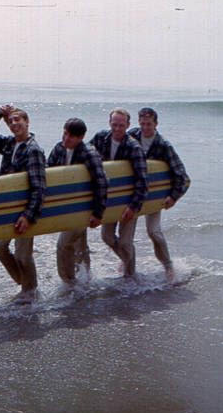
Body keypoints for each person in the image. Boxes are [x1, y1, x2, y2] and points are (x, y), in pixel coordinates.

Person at [0, 105, 46, 303]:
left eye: (18, 120)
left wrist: (28, 215)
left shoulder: (34, 150)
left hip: (26, 210)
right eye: (11, 121)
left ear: (27, 122)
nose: (14, 124)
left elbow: (39, 187)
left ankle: (31, 293)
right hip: (8, 208)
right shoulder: (10, 144)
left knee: (24, 255)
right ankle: (26, 285)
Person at [128, 107, 189, 281]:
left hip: (154, 196)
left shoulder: (163, 145)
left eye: (149, 124)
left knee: (153, 232)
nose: (145, 128)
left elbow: (182, 176)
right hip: (133, 195)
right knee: (127, 237)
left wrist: (173, 197)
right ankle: (129, 269)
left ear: (156, 124)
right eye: (142, 124)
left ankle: (168, 265)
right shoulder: (132, 136)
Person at [47, 118, 108, 284]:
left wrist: (97, 213)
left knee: (63, 245)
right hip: (67, 208)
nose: (66, 139)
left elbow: (101, 183)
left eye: (71, 137)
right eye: (65, 133)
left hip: (84, 209)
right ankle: (86, 281)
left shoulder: (89, 153)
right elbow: (48, 173)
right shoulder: (59, 148)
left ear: (81, 138)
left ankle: (68, 283)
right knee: (79, 245)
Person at [90, 108, 148, 278]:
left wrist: (133, 207)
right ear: (109, 123)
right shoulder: (101, 138)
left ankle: (130, 276)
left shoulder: (134, 147)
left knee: (125, 241)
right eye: (114, 124)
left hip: (130, 200)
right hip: (110, 199)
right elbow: (85, 153)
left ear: (128, 125)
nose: (117, 128)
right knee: (107, 236)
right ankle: (126, 261)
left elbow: (143, 182)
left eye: (121, 125)